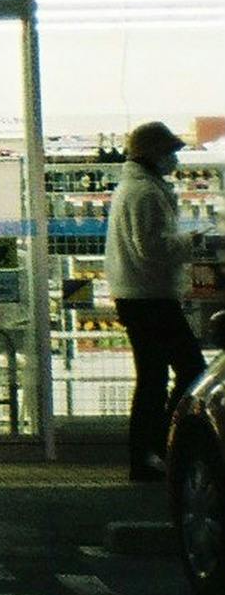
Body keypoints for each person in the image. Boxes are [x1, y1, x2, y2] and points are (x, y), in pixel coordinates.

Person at [106, 120, 210, 482]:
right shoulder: (145, 193)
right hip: (150, 297)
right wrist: (194, 241)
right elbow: (150, 249)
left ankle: (149, 453)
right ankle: (164, 443)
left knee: (153, 377)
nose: (174, 159)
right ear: (153, 153)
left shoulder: (134, 188)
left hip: (138, 295)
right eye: (170, 152)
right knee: (190, 370)